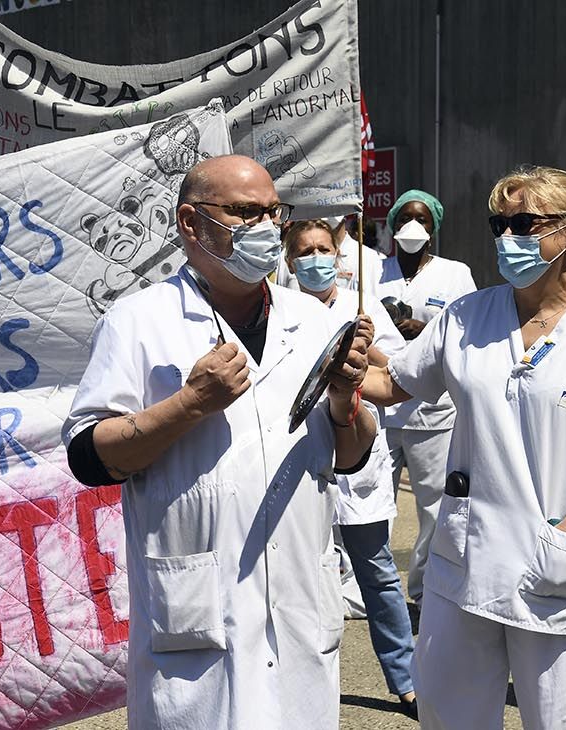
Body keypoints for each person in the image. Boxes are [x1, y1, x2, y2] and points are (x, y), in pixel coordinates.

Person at [64, 155, 377, 728]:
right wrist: (190, 405)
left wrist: (344, 399)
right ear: (190, 222)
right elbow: (90, 457)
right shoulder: (138, 322)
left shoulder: (311, 320)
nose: (264, 227)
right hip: (198, 613)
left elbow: (351, 456)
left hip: (299, 601)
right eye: (243, 212)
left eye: (272, 213)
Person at [362, 166, 566, 729]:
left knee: (561, 721)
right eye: (499, 223)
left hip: (556, 562)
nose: (506, 237)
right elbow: (393, 385)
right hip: (465, 559)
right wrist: (331, 345)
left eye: (523, 223)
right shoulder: (466, 315)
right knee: (445, 711)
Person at [282, 219, 418, 716]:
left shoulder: (362, 307)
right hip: (298, 462)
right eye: (305, 251)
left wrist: (363, 345)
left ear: (337, 256)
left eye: (323, 248)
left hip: (357, 461)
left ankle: (406, 679)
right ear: (290, 260)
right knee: (298, 576)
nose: (316, 258)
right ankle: (300, 685)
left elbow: (398, 377)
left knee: (377, 572)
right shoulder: (278, 310)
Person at [377, 189, 477, 605]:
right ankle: (372, 592)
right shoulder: (372, 269)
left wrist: (425, 330)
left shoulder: (455, 274)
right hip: (379, 405)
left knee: (435, 508)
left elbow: (468, 331)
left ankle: (422, 592)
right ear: (392, 226)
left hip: (432, 411)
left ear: (434, 230)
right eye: (404, 219)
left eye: (422, 221)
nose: (412, 228)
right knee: (370, 504)